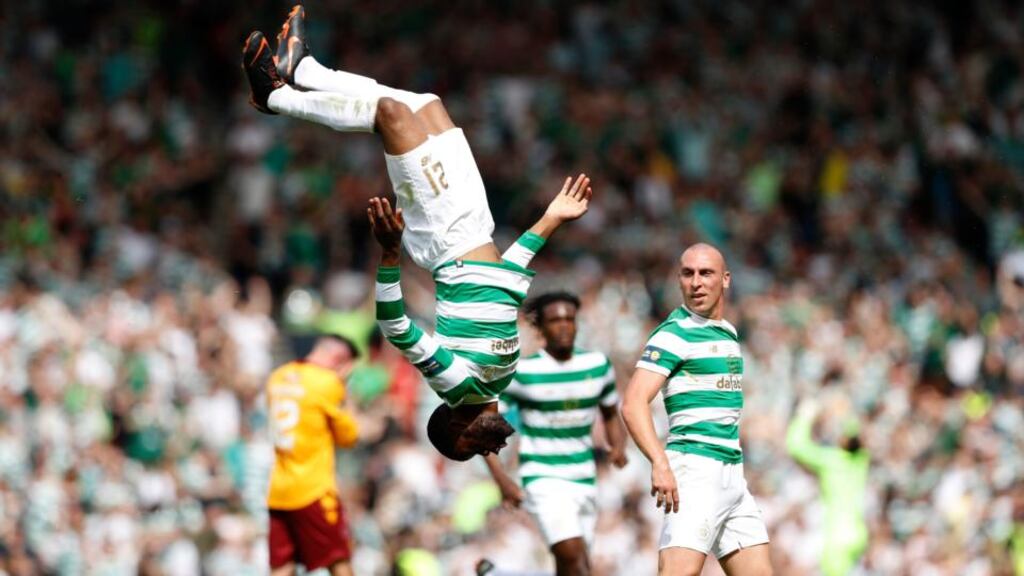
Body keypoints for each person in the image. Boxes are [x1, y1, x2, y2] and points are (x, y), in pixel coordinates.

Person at [243, 6, 593, 460]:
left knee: (391, 115)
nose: (492, 448)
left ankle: (275, 98)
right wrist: (551, 220)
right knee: (427, 105)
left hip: (444, 234)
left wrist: (389, 254)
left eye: (471, 446)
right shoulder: (503, 376)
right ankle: (305, 68)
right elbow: (503, 284)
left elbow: (396, 325)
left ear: (454, 425)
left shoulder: (455, 385)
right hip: (475, 223)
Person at [621, 243, 772, 576]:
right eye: (688, 274)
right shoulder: (674, 335)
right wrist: (660, 463)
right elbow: (632, 403)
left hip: (733, 474)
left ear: (726, 279)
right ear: (679, 280)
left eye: (706, 273)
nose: (696, 282)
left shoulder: (728, 333)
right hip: (695, 472)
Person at [484, 291, 629, 576]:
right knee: (572, 556)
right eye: (554, 320)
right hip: (543, 478)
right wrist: (501, 479)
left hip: (584, 479)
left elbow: (611, 412)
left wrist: (618, 444)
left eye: (569, 319)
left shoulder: (597, 366)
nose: (563, 326)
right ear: (540, 329)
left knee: (578, 567)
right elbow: (484, 428)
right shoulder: (523, 372)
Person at [265, 335, 360, 576]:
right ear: (342, 361)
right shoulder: (327, 382)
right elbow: (349, 437)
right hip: (313, 489)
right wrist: (345, 392)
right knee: (339, 560)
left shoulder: (278, 376)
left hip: (279, 489)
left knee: (282, 566)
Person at [786, 399, 869, 576]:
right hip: (859, 534)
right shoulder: (861, 461)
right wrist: (844, 414)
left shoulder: (832, 461)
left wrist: (804, 416)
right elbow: (855, 434)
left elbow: (797, 446)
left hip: (838, 536)